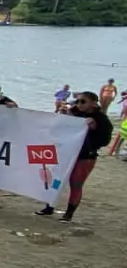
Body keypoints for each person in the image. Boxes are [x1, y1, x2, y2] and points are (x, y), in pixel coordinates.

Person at [37, 91, 112, 222]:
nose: (79, 104)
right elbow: (58, 129)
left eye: (83, 101)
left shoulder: (102, 119)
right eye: (77, 101)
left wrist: (94, 128)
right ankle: (49, 207)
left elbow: (105, 141)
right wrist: (63, 115)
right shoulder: (74, 112)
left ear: (94, 103)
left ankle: (69, 214)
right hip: (67, 152)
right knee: (56, 181)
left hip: (85, 156)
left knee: (76, 184)